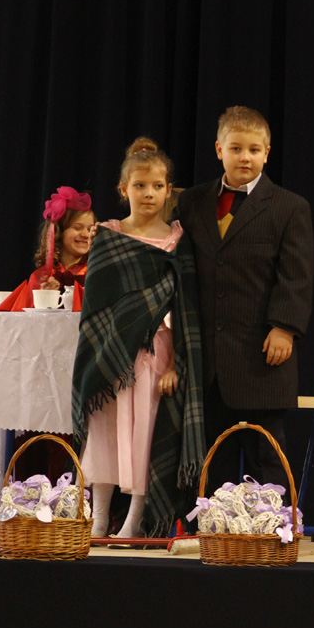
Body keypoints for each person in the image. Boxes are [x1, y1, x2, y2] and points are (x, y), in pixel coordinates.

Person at [175, 106, 313, 490]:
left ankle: (272, 519)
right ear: (219, 149)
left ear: (267, 153)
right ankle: (211, 519)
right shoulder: (193, 202)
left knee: (265, 452)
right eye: (236, 149)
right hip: (207, 356)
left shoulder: (289, 207)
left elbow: (296, 275)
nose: (245, 157)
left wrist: (284, 327)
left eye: (254, 150)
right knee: (210, 455)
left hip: (260, 355)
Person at [72, 138, 205, 538]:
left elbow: (185, 307)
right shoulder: (108, 236)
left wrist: (176, 363)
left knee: (145, 434)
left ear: (169, 190)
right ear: (124, 189)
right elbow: (97, 303)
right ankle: (98, 516)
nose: (149, 193)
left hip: (155, 353)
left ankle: (135, 519)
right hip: (113, 352)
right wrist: (107, 347)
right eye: (141, 185)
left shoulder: (177, 240)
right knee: (106, 432)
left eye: (158, 186)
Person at [0, 186, 95, 311]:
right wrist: (44, 298)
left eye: (90, 229)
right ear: (58, 232)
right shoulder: (41, 277)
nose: (85, 234)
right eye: (77, 228)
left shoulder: (96, 272)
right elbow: (26, 317)